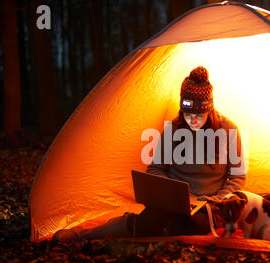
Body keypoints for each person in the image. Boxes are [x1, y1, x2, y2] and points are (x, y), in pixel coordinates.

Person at [53, 66, 246, 241]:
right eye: (188, 114)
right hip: (176, 202)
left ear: (209, 109)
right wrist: (172, 193)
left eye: (199, 115)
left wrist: (220, 199)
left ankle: (157, 225)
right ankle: (82, 235)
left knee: (189, 226)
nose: (192, 120)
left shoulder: (228, 130)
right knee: (150, 221)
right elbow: (155, 168)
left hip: (210, 206)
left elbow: (238, 176)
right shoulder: (174, 128)